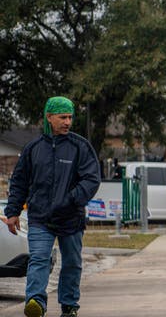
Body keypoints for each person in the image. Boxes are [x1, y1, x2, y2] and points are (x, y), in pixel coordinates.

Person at [3, 96, 101, 317]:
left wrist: (71, 199)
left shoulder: (80, 147)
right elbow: (19, 181)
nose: (67, 122)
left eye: (70, 117)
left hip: (71, 218)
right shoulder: (33, 148)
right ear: (49, 117)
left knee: (72, 263)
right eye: (62, 117)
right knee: (38, 259)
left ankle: (69, 306)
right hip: (40, 218)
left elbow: (92, 180)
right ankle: (36, 302)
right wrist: (13, 212)